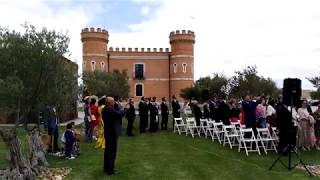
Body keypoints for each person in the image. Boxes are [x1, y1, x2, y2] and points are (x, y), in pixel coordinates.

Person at [102, 97, 125, 176]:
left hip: (108, 133)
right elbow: (119, 114)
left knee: (107, 152)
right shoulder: (109, 110)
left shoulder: (105, 108)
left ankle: (106, 168)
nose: (114, 103)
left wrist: (117, 106)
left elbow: (115, 111)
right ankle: (110, 170)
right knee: (112, 152)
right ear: (109, 103)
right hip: (111, 134)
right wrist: (123, 109)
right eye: (113, 102)